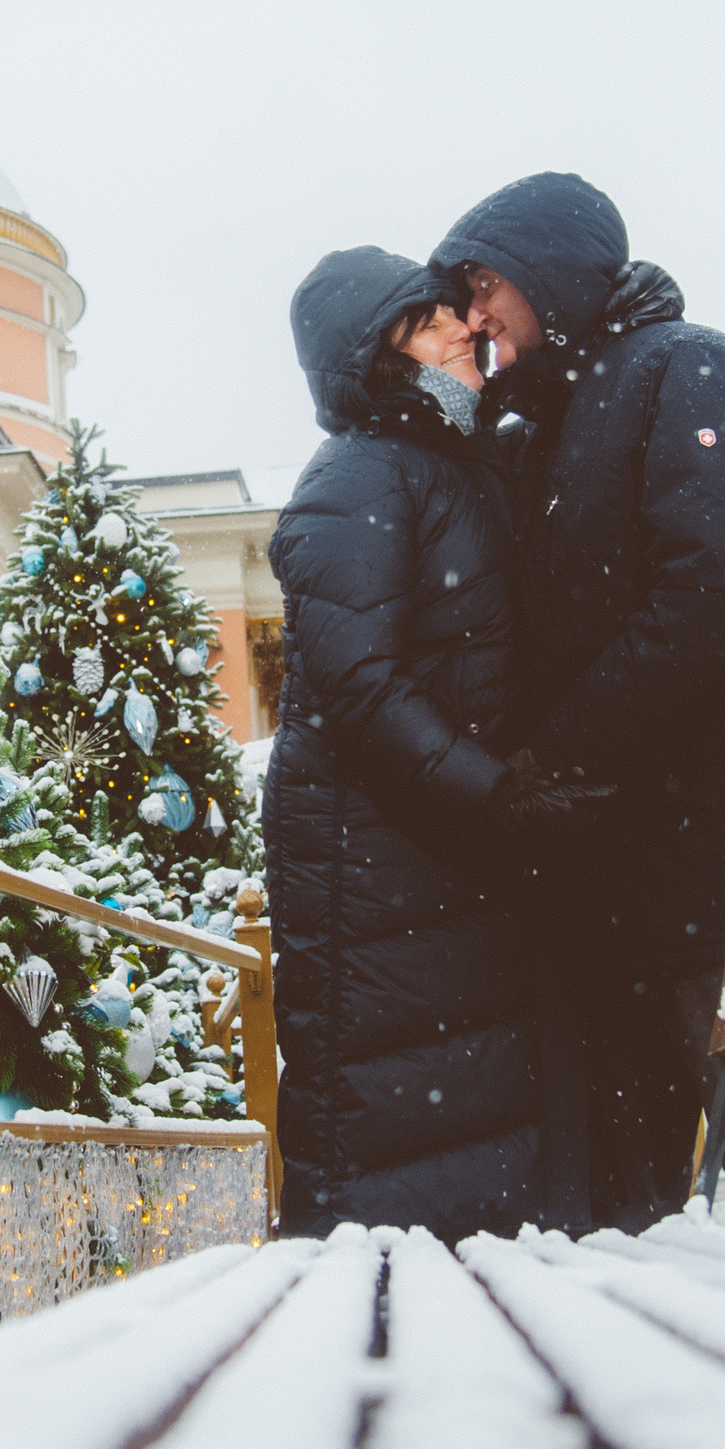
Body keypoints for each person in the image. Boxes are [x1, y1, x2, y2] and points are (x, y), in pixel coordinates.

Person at [431, 172, 725, 1242]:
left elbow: (721, 593)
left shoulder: (689, 373)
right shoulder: (560, 415)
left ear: (549, 269)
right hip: (648, 877)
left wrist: (558, 749)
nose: (475, 314)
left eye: (485, 281)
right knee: (634, 1201)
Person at [266, 246, 598, 1243]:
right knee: (389, 1162)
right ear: (374, 358)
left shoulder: (447, 461)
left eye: (450, 310)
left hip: (432, 855)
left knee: (461, 1143)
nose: (461, 326)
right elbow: (360, 684)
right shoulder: (358, 475)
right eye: (425, 320)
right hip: (376, 867)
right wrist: (494, 796)